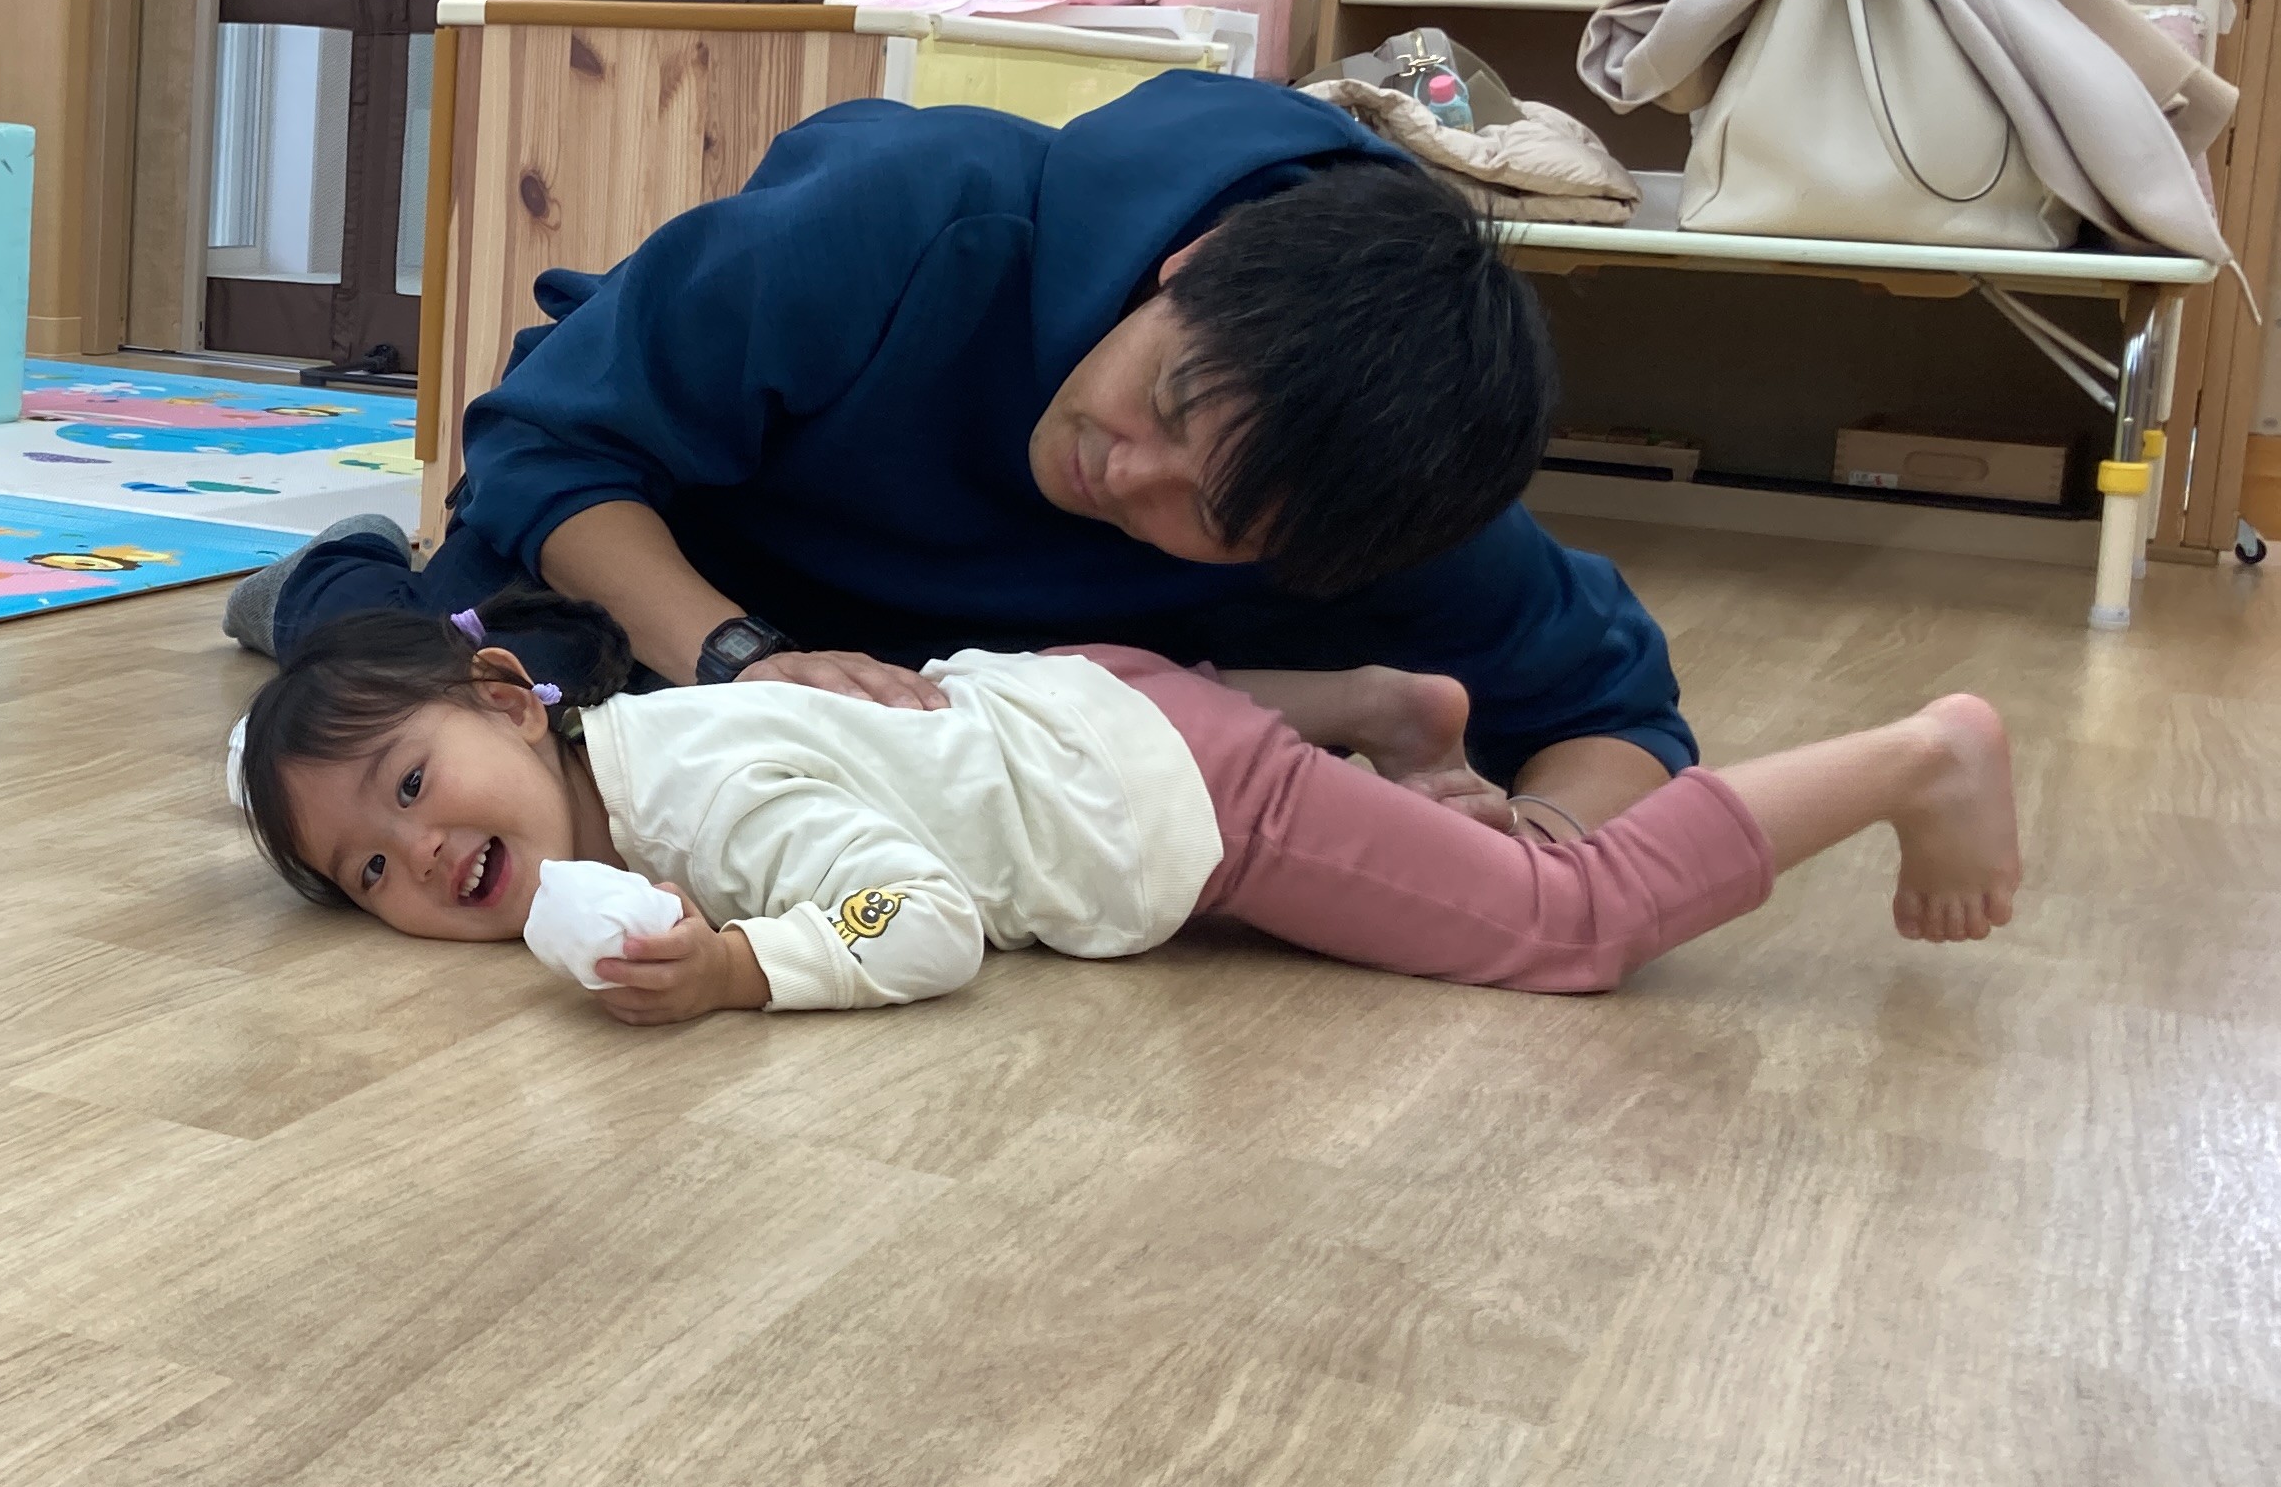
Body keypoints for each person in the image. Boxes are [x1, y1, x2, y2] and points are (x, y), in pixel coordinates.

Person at [246, 73, 1681, 840]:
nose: (1127, 475)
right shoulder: (913, 209)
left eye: (1213, 510)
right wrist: (741, 658)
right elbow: (553, 444)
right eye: (1167, 401)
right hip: (678, 566)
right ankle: (336, 574)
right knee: (405, 713)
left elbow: (1617, 711)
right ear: (1190, 263)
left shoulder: (1389, 481)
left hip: (940, 700)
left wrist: (1537, 842)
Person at [235, 596, 2021, 1016]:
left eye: (414, 786)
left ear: (509, 699)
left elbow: (921, 920)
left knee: (1573, 923)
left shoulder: (701, 793)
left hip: (1178, 794)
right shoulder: (640, 757)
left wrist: (746, 968)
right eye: (368, 869)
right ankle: (1391, 721)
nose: (424, 855)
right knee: (1388, 840)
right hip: (1093, 702)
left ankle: (1915, 756)